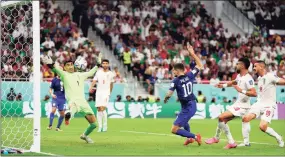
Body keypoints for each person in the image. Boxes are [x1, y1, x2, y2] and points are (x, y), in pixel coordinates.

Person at [41, 55, 100, 143]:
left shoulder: (81, 75)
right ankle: (68, 116)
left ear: (74, 65)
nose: (70, 66)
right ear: (64, 67)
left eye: (71, 64)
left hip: (83, 102)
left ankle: (84, 135)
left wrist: (98, 65)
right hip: (73, 101)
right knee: (72, 109)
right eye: (68, 65)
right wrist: (50, 63)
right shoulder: (64, 74)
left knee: (94, 124)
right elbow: (54, 69)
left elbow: (91, 72)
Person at [205, 58, 257, 149]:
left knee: (221, 117)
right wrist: (223, 85)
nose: (236, 66)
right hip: (238, 104)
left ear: (243, 66)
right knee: (222, 120)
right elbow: (234, 82)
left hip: (243, 106)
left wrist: (241, 90)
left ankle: (223, 140)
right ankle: (223, 140)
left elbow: (254, 93)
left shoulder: (248, 79)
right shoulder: (239, 76)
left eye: (238, 64)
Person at [163, 43, 203, 146]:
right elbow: (200, 65)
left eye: (173, 70)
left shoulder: (175, 81)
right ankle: (190, 139)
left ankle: (194, 137)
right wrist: (193, 54)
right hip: (190, 104)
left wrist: (166, 98)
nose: (173, 72)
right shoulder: (190, 75)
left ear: (177, 71)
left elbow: (169, 93)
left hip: (188, 106)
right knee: (184, 122)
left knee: (174, 129)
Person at [242, 61, 284, 148]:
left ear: (261, 67)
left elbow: (282, 81)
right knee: (245, 118)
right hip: (259, 104)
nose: (253, 68)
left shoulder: (270, 76)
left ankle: (278, 137)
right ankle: (246, 143)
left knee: (262, 126)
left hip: (269, 105)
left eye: (255, 66)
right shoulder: (259, 79)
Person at [89, 59, 114, 132]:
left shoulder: (111, 74)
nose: (105, 65)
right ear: (102, 65)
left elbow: (111, 84)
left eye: (106, 63)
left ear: (108, 64)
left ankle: (105, 126)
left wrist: (110, 92)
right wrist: (91, 87)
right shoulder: (98, 72)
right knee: (99, 109)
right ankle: (100, 127)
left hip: (106, 92)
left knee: (103, 108)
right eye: (104, 63)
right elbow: (94, 80)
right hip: (99, 92)